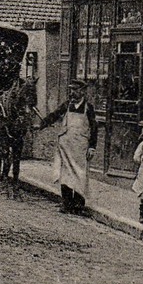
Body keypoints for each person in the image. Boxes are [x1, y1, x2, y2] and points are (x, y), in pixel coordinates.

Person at [40, 81, 98, 215]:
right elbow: (54, 115)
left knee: (80, 175)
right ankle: (66, 204)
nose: (72, 93)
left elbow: (94, 128)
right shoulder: (67, 105)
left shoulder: (88, 108)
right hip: (65, 146)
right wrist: (42, 124)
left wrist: (92, 147)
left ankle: (78, 206)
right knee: (65, 174)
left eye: (75, 90)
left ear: (82, 91)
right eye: (71, 90)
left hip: (80, 147)